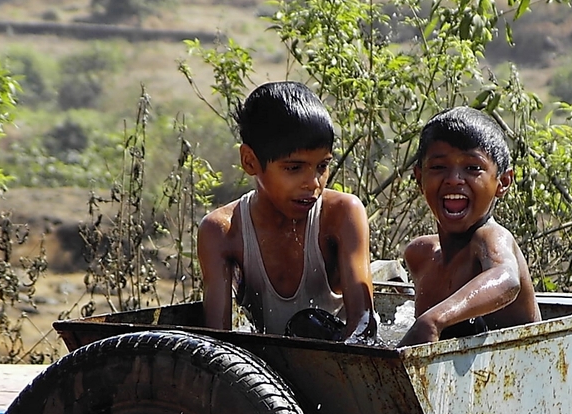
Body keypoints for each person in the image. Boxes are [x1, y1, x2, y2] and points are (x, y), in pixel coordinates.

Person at [197, 81, 377, 341]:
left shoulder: (341, 215)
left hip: (341, 360)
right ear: (250, 161)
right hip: (267, 372)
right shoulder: (223, 232)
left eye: (322, 166)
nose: (313, 183)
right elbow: (219, 341)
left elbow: (363, 326)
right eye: (294, 168)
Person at [397, 106, 540, 347]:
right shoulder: (420, 256)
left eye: (473, 168)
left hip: (515, 375)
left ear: (503, 182)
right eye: (439, 167)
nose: (454, 179)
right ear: (419, 178)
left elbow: (507, 280)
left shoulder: (490, 239)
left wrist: (433, 321)